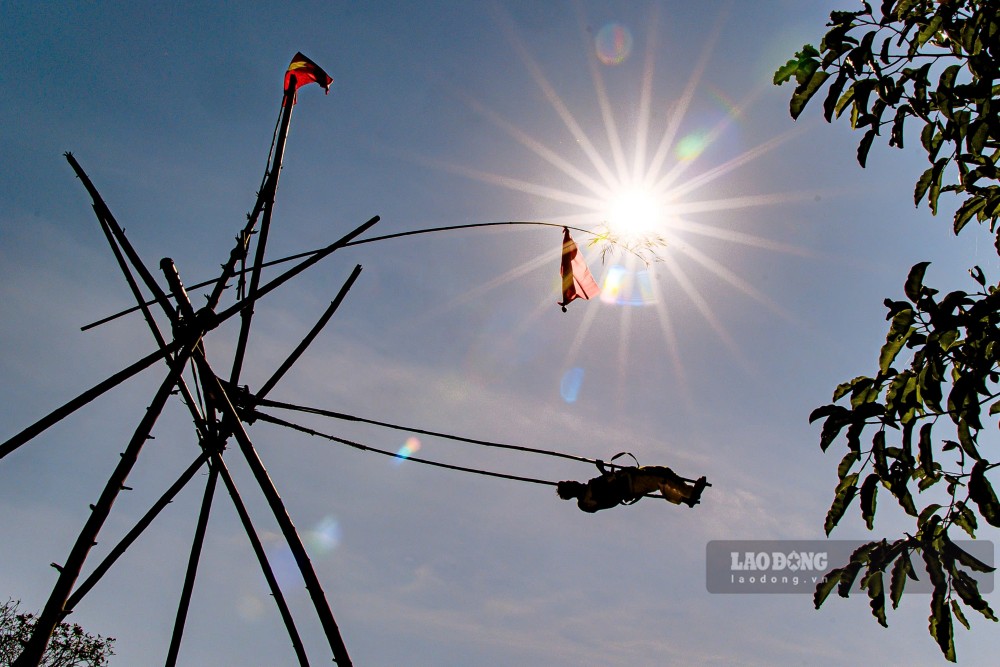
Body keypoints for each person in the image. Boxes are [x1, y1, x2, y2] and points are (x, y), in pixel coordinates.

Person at [557, 463, 708, 513]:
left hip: (629, 479)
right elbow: (609, 490)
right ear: (571, 491)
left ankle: (686, 498)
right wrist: (603, 470)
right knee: (663, 477)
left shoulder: (589, 489)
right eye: (571, 483)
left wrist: (603, 471)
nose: (574, 481)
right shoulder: (587, 498)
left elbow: (609, 483)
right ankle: (690, 494)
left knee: (662, 476)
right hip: (630, 485)